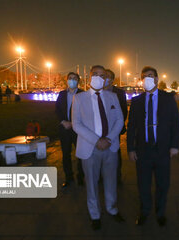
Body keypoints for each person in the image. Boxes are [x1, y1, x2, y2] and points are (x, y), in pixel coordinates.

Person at [72, 65, 125, 230]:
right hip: (90, 148)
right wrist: (96, 140)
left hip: (110, 146)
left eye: (102, 75)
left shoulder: (112, 97)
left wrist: (108, 139)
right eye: (95, 74)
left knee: (111, 181)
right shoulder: (79, 98)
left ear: (106, 79)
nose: (99, 77)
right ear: (89, 76)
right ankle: (95, 214)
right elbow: (76, 124)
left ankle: (112, 209)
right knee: (92, 184)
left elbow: (119, 120)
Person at [127, 66, 179, 226]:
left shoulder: (167, 99)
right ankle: (145, 211)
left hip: (163, 150)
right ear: (141, 80)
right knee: (143, 184)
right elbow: (131, 127)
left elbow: (175, 124)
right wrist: (130, 148)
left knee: (163, 184)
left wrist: (174, 145)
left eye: (151, 76)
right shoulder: (136, 101)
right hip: (143, 151)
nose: (148, 79)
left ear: (157, 79)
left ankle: (160, 212)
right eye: (144, 76)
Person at [55, 72, 84, 188]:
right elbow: (57, 110)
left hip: (78, 130)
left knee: (80, 154)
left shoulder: (82, 94)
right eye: (70, 78)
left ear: (78, 81)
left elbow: (85, 112)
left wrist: (74, 123)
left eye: (74, 78)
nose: (72, 80)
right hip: (64, 129)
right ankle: (68, 177)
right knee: (65, 154)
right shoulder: (62, 94)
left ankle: (81, 177)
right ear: (67, 80)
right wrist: (63, 122)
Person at [104, 69, 128, 184]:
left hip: (115, 129)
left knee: (115, 153)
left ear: (112, 79)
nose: (105, 79)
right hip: (100, 130)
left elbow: (124, 111)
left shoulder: (119, 93)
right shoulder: (97, 92)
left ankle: (117, 176)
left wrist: (118, 127)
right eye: (103, 76)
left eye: (107, 76)